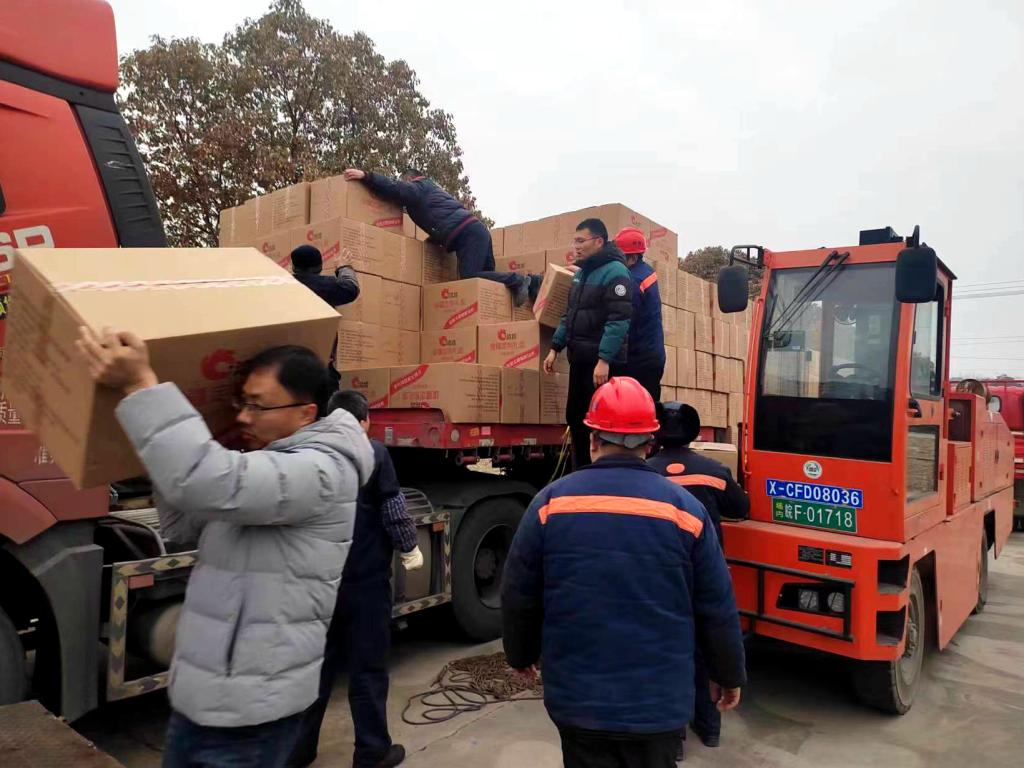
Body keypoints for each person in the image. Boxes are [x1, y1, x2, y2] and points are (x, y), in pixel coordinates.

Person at [74, 330, 374, 768]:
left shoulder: (321, 470)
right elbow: (182, 523)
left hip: (252, 709)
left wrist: (140, 385)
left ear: (306, 412)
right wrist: (165, 454)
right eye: (242, 403)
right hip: (203, 695)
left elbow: (205, 482)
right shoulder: (264, 466)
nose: (244, 416)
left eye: (258, 405)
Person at [502, 377, 746, 768]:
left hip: (578, 703)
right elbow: (716, 605)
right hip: (658, 705)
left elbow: (519, 593)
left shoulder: (550, 504)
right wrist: (727, 673)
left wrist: (521, 653)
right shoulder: (685, 511)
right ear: (650, 444)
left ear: (593, 440)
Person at [291, 390, 424, 768]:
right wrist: (409, 548)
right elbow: (393, 510)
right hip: (364, 584)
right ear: (364, 421)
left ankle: (297, 751)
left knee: (315, 670)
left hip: (316, 584)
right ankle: (372, 751)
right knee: (367, 670)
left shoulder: (306, 452)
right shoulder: (373, 453)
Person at [647, 401, 750, 753]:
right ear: (694, 433)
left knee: (668, 653)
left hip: (663, 579)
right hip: (706, 575)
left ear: (655, 433)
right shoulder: (714, 471)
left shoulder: (646, 473)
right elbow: (741, 508)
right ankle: (709, 729)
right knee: (707, 650)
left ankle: (674, 738)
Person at [341, 168, 532, 306]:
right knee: (485, 287)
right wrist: (434, 239)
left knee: (470, 277)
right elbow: (442, 220)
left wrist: (367, 176)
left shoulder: (417, 188)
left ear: (410, 178)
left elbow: (396, 188)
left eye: (406, 181)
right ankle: (533, 282)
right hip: (475, 231)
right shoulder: (431, 190)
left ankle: (518, 280)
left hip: (468, 234)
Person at [543, 218, 633, 470]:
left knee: (600, 422)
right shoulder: (582, 273)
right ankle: (580, 472)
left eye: (581, 241)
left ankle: (600, 474)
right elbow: (569, 314)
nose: (576, 246)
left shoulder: (616, 273)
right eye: (575, 241)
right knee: (576, 417)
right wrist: (555, 347)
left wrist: (604, 359)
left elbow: (619, 320)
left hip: (600, 367)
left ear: (599, 241)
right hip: (580, 360)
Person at [290, 243, 361, 386]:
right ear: (320, 267)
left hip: (288, 365)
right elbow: (351, 288)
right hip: (320, 367)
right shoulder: (325, 286)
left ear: (293, 267)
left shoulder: (284, 286)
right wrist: (343, 267)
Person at [612, 227, 665, 403]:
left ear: (633, 258)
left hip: (639, 359)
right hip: (650, 355)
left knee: (635, 408)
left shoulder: (633, 281)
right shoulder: (645, 271)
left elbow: (622, 320)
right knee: (648, 406)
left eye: (619, 257)